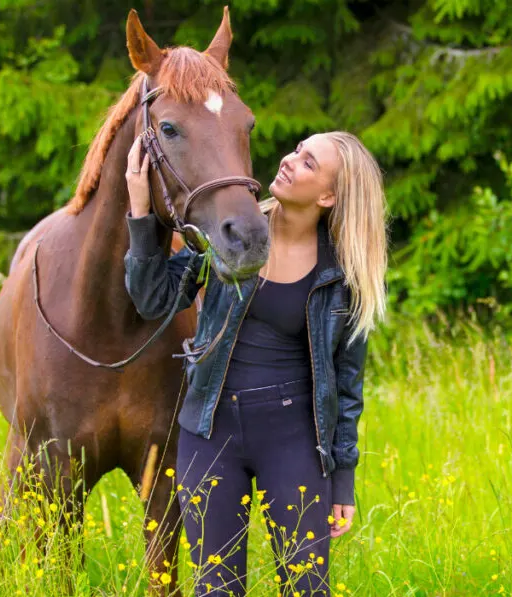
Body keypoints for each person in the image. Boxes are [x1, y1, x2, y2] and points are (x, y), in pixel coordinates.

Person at [124, 131, 388, 596]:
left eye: (309, 162)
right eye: (297, 149)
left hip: (294, 440)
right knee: (216, 589)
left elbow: (348, 388)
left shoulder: (342, 276)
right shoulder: (230, 233)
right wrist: (142, 213)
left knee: (306, 588)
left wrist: (343, 481)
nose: (290, 160)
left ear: (328, 195)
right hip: (209, 432)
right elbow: (152, 300)